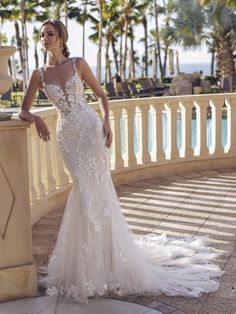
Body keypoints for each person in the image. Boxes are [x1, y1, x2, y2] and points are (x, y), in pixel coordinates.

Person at [19, 19, 222, 303]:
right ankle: (87, 266)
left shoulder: (78, 63)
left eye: (49, 33)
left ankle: (107, 263)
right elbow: (22, 111)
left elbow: (102, 95)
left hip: (90, 131)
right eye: (41, 35)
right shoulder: (39, 75)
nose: (44, 38)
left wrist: (106, 123)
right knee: (83, 192)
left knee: (98, 194)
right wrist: (37, 117)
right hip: (68, 138)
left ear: (62, 37)